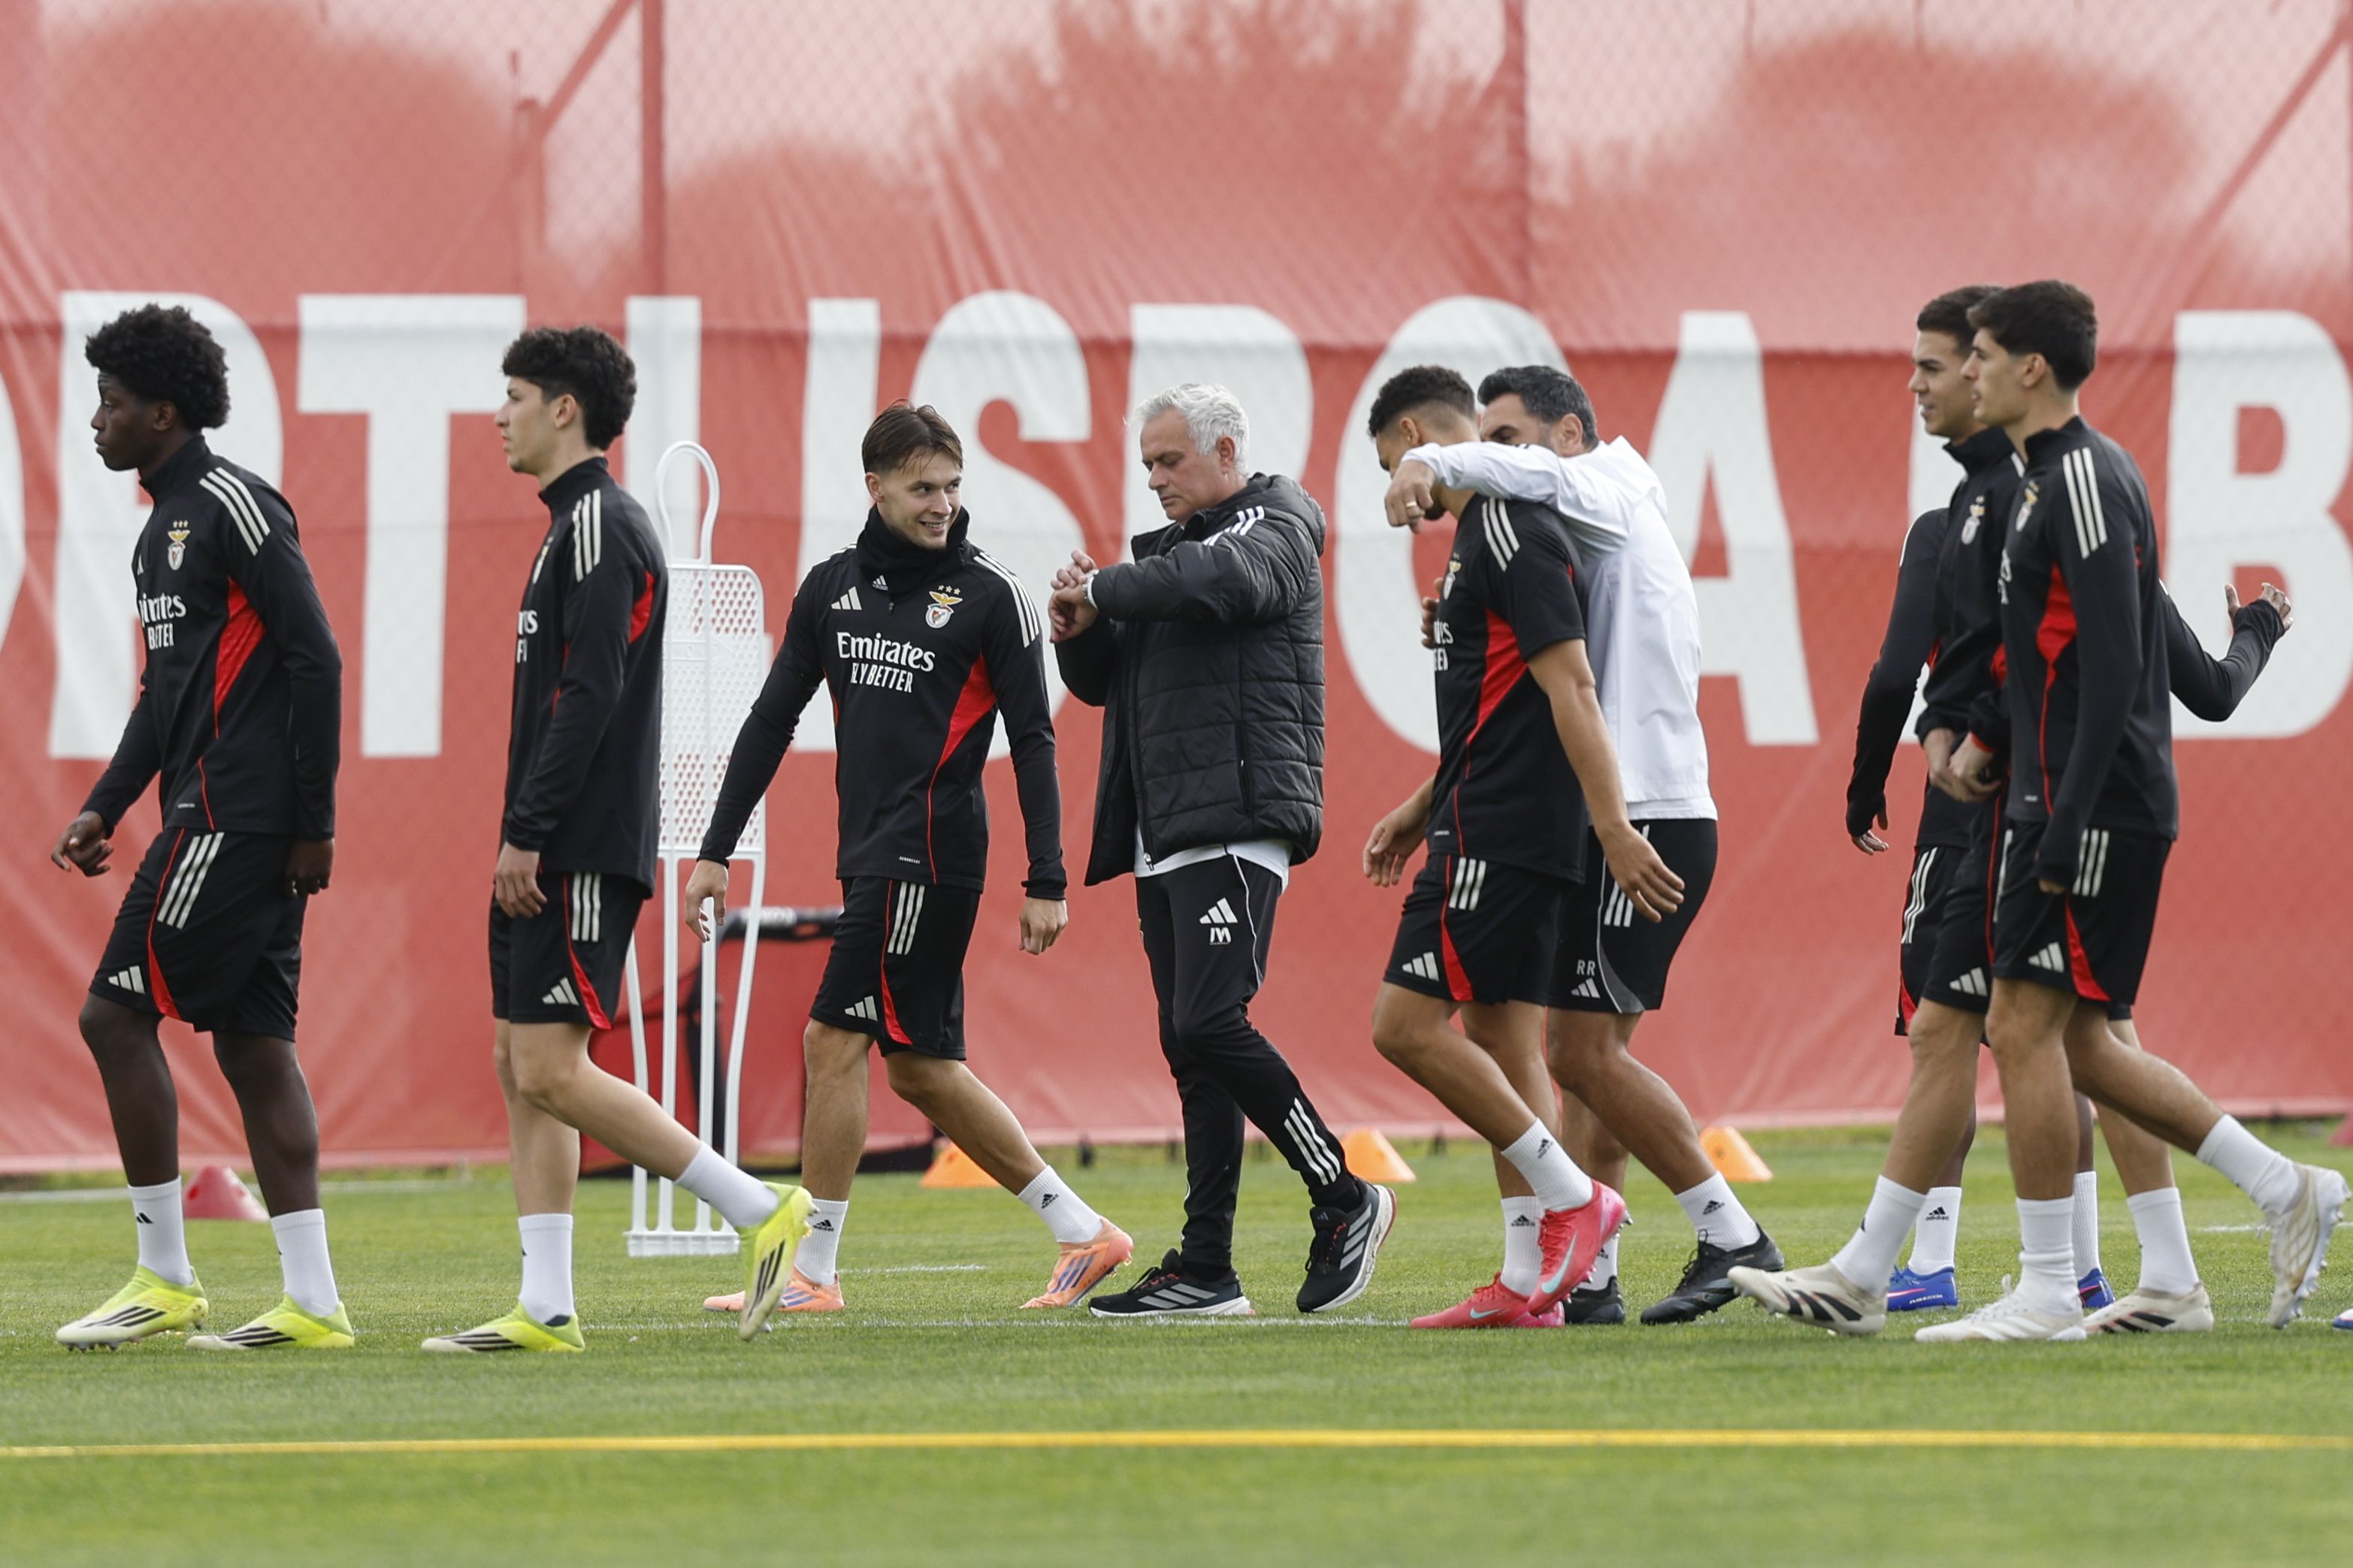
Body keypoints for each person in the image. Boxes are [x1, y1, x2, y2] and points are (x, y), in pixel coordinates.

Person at [1737, 286, 2303, 1338]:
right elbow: (2074, 669)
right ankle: (2167, 1259)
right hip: (2030, 797)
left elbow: (2057, 663)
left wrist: (1982, 779)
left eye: (1946, 362)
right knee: (2046, 1032)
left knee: (2017, 1031)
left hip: (2044, 811)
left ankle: (2048, 1269)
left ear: (2000, 369)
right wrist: (2256, 634)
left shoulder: (2051, 491)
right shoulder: (2016, 497)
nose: (1921, 383)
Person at [1919, 281, 2341, 1340]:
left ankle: (2050, 1283)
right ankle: (2273, 1194)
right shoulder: (2044, 486)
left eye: (1976, 353)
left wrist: (2057, 824)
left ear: (2027, 368)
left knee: (2021, 1025)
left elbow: (2113, 671)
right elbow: (2184, 676)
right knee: (2080, 1040)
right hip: (2062, 799)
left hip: (2087, 811)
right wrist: (1984, 736)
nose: (1962, 371)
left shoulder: (2083, 481)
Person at [684, 402, 1129, 1316]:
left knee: (830, 1040)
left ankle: (811, 1270)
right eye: (922, 487)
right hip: (873, 858)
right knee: (920, 1068)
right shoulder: (829, 588)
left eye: (953, 486)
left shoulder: (989, 595)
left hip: (926, 857)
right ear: (874, 486)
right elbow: (771, 721)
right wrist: (714, 849)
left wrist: (1046, 875)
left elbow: (1035, 741)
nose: (941, 503)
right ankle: (1082, 1231)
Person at [426, 327, 809, 1352]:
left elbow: (588, 695)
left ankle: (759, 1207)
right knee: (520, 1060)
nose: (496, 415)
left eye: (512, 395)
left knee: (552, 1066)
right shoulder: (569, 528)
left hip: (577, 848)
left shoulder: (600, 524)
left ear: (564, 408)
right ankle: (546, 1306)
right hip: (553, 842)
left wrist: (527, 833)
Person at [1375, 366, 1776, 1326]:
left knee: (1580, 1052)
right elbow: (1518, 700)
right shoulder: (1567, 526)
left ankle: (1729, 1233)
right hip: (1623, 804)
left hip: (1640, 810)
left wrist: (1431, 458)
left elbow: (1570, 688)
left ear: (1566, 434)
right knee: (1585, 1055)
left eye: (1510, 438)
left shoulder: (1604, 484)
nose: (1501, 458)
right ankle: (1584, 1280)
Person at [50, 303, 352, 1352]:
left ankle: (163, 1274)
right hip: (217, 808)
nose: (98, 419)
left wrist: (314, 820)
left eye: (114, 401)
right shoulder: (157, 532)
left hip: (236, 815)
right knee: (256, 1045)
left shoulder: (233, 504)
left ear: (163, 410)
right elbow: (160, 696)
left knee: (111, 1016)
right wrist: (105, 802)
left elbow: (318, 658)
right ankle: (313, 1300)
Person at [1048, 383, 1384, 1319]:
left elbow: (1224, 582)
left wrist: (1105, 585)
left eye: (1169, 461)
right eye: (1146, 463)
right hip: (1168, 826)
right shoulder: (1169, 557)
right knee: (1189, 1046)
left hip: (1235, 815)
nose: (1153, 479)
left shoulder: (1277, 523)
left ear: (1226, 452)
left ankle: (1345, 1193)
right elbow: (1108, 685)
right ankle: (1206, 1268)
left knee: (1207, 1022)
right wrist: (1078, 633)